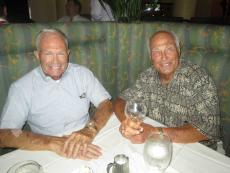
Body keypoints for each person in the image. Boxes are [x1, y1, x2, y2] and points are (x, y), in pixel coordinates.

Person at [0, 28, 113, 159]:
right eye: (48, 53)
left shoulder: (82, 74)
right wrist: (51, 142)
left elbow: (106, 104)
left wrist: (90, 129)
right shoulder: (21, 88)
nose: (56, 61)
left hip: (88, 139)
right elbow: (5, 135)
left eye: (61, 53)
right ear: (38, 55)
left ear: (68, 53)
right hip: (46, 149)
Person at [113, 30, 220, 150]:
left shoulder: (199, 79)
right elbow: (121, 100)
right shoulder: (146, 76)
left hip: (198, 150)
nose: (164, 57)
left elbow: (210, 128)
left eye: (169, 49)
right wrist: (128, 123)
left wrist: (154, 132)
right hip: (158, 145)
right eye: (156, 51)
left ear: (178, 50)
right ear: (151, 57)